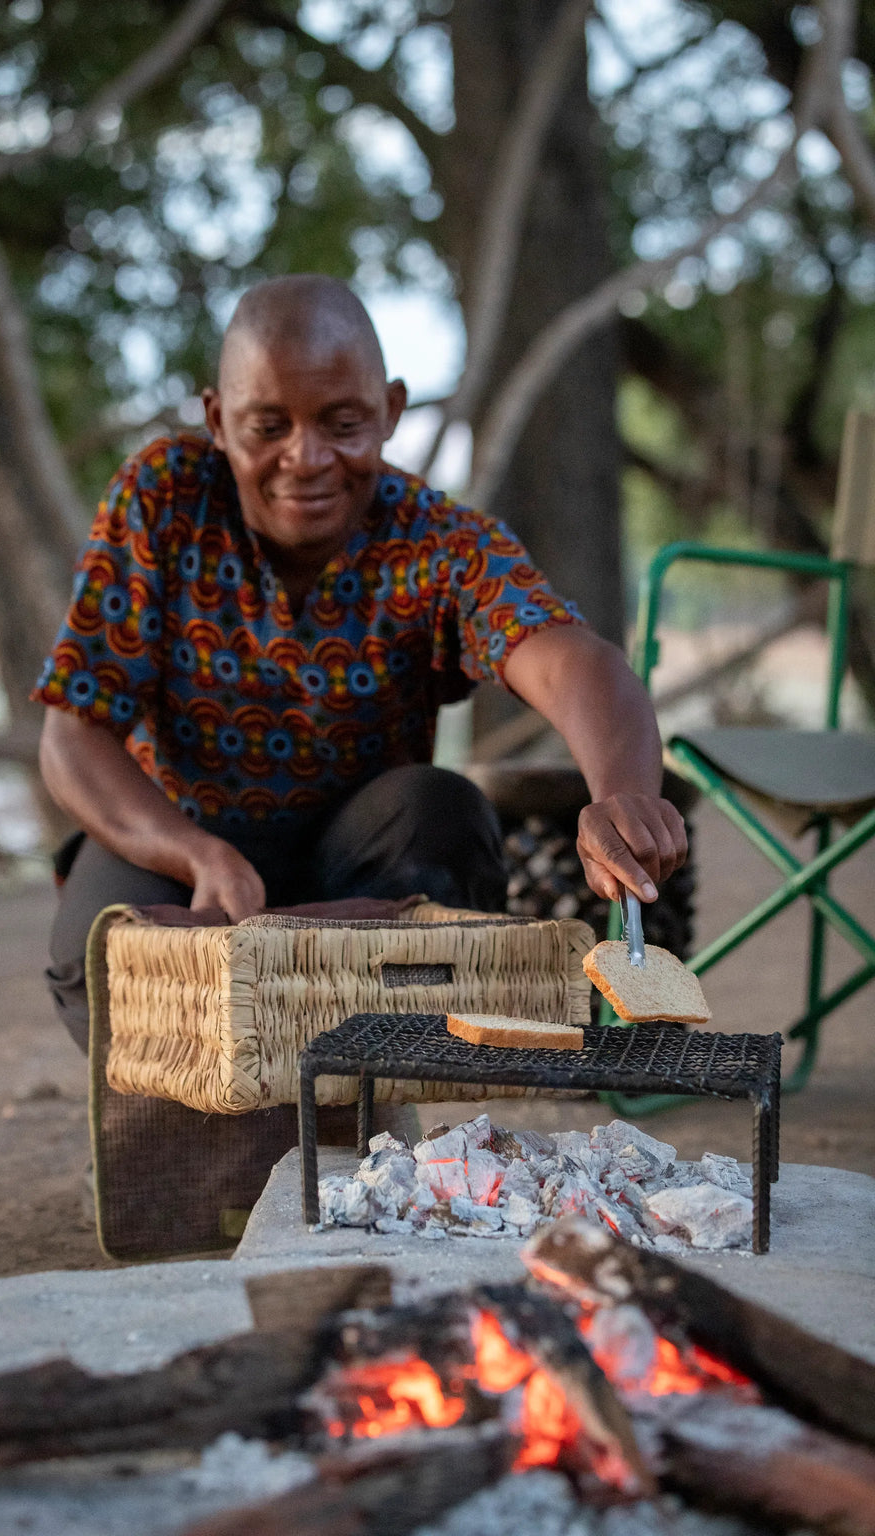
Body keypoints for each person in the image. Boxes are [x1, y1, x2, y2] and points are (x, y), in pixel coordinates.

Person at [34, 273, 688, 1054]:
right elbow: (73, 735)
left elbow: (572, 660)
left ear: (391, 412)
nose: (305, 458)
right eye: (266, 426)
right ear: (216, 419)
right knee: (98, 952)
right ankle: (187, 1149)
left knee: (442, 809)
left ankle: (367, 1116)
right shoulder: (162, 499)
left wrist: (621, 796)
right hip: (181, 855)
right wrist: (197, 852)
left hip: (355, 882)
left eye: (342, 423)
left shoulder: (436, 540)